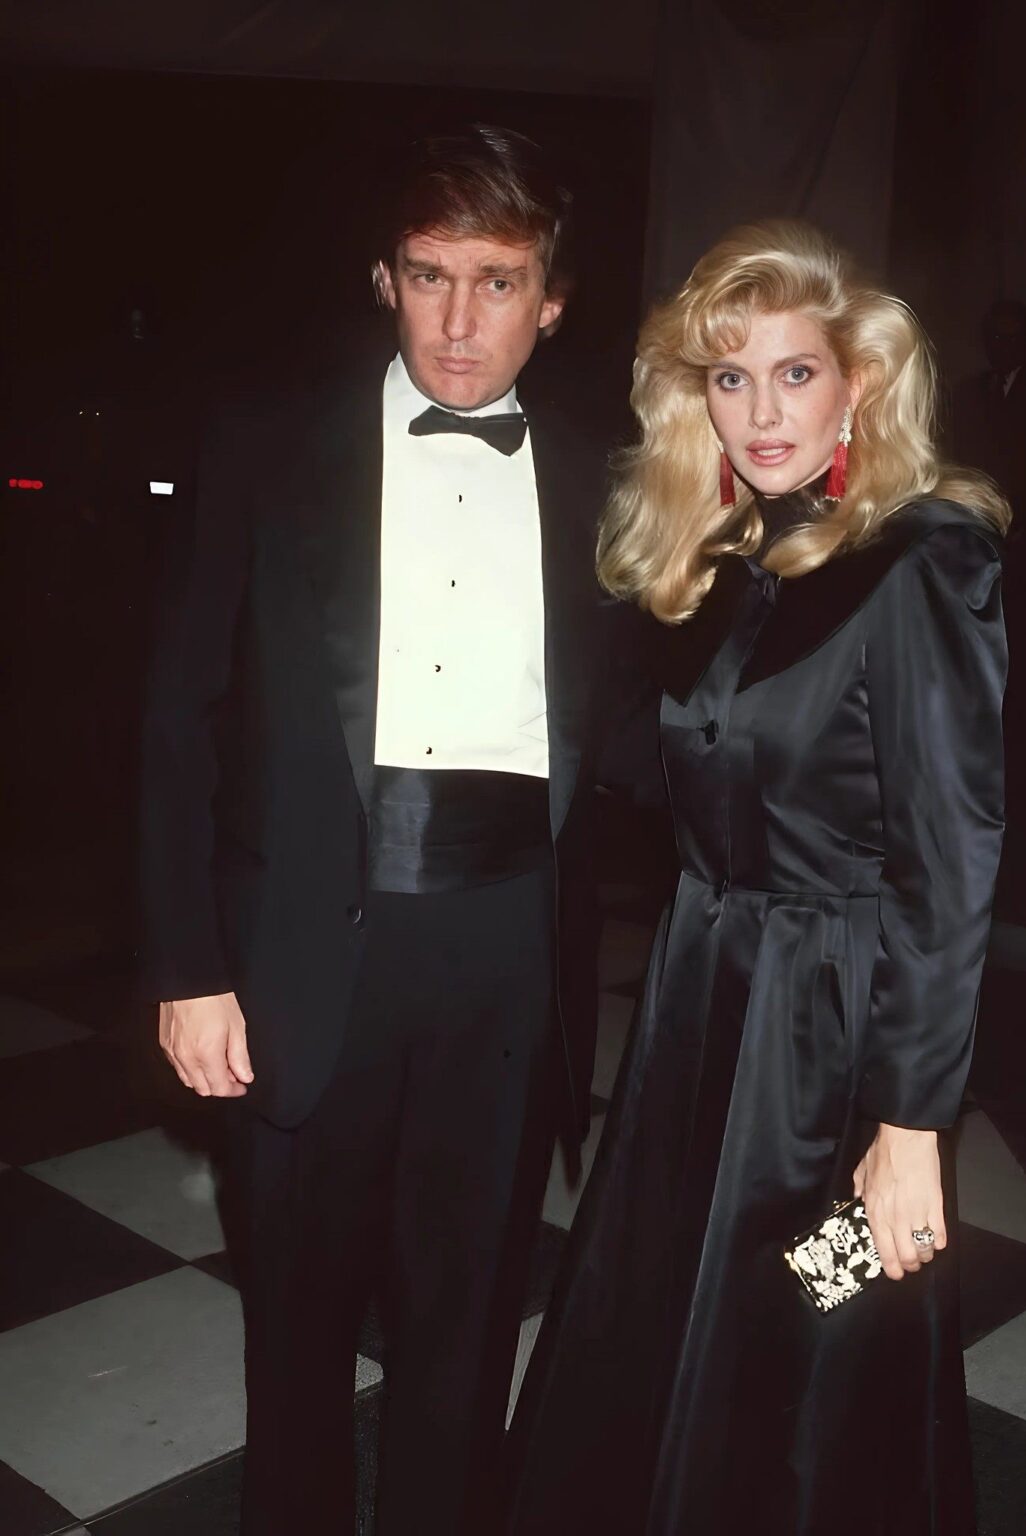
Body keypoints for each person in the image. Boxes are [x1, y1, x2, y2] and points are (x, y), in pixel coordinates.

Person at [139, 125, 611, 1536]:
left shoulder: (605, 473)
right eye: (428, 275)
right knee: (292, 1327)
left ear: (551, 301)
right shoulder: (266, 442)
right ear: (384, 279)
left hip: (509, 953)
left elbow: (659, 717)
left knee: (466, 1328)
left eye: (497, 281)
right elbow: (177, 713)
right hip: (304, 944)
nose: (459, 320)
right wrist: (186, 965)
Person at [507, 220, 1008, 1536]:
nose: (761, 411)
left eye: (794, 372)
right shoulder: (723, 565)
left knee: (815, 1329)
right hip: (702, 992)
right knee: (680, 1314)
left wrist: (910, 1125)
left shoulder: (921, 560)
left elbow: (951, 863)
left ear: (856, 382)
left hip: (832, 1026)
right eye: (729, 378)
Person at [951, 299, 1026, 662]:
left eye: (1012, 338)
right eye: (997, 337)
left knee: (1016, 626)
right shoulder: (968, 392)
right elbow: (957, 458)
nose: (1003, 346)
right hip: (973, 532)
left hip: (1023, 534)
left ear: (1025, 341)